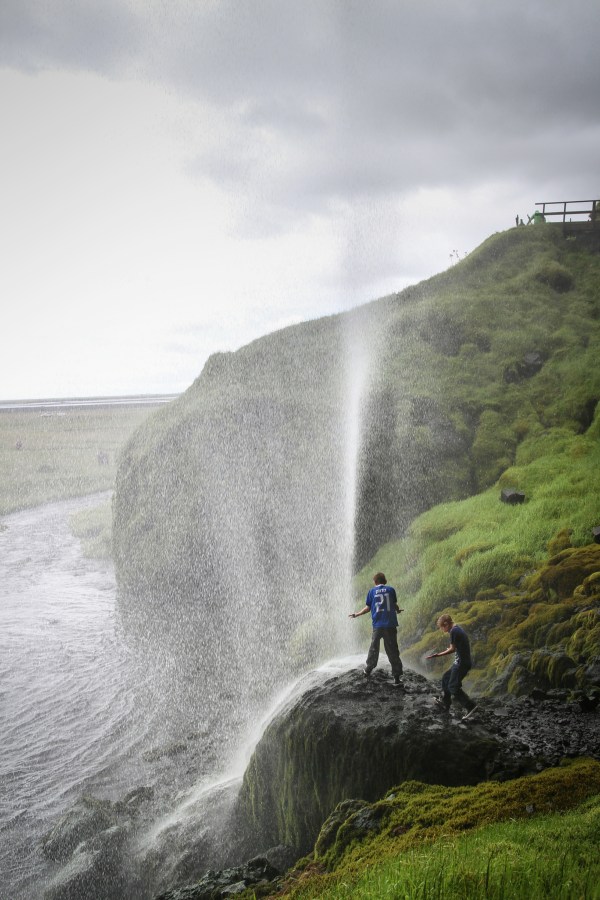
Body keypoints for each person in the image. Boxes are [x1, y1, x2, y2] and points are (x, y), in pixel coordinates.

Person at [349, 572, 404, 687]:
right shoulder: (391, 590)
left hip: (378, 625)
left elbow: (368, 608)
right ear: (385, 580)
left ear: (375, 582)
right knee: (392, 649)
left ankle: (368, 669)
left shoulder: (372, 591)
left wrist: (357, 614)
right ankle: (397, 677)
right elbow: (394, 604)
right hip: (390, 625)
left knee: (374, 647)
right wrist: (398, 611)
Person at [426, 614, 476, 713]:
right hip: (459, 662)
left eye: (441, 627)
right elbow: (454, 647)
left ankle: (470, 706)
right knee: (446, 678)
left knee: (453, 686)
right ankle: (446, 702)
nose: (441, 629)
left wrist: (437, 655)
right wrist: (449, 649)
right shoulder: (456, 630)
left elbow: (452, 649)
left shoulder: (454, 631)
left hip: (461, 664)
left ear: (446, 624)